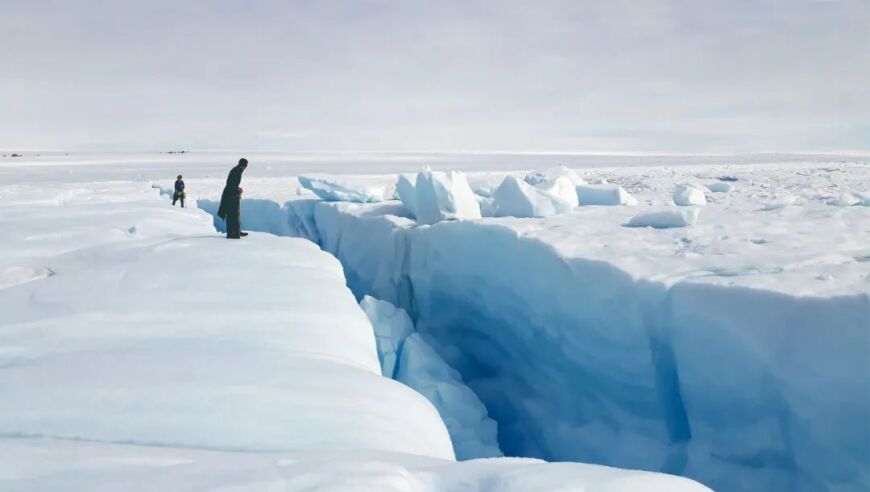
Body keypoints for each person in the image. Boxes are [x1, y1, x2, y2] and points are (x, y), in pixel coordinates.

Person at [217, 158, 248, 237]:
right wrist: (237, 191)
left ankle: (236, 231)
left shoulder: (237, 170)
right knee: (232, 214)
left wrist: (237, 189)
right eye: (245, 166)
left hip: (230, 194)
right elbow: (231, 185)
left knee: (234, 214)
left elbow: (232, 184)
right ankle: (233, 233)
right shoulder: (237, 171)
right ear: (243, 165)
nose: (245, 168)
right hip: (230, 196)